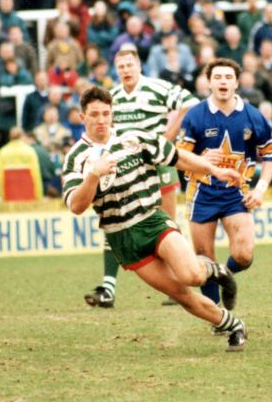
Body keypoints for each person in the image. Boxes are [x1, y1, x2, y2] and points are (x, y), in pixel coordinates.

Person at [63, 86, 247, 351]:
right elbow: (76, 206)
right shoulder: (75, 159)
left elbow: (176, 157)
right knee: (180, 295)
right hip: (122, 237)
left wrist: (213, 170)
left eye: (106, 113)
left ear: (112, 114)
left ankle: (214, 270)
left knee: (192, 276)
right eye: (94, 115)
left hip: (152, 220)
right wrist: (93, 175)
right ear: (83, 118)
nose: (101, 120)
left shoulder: (134, 137)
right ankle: (232, 325)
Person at [82, 44, 199, 308]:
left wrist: (168, 136)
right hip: (127, 167)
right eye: (121, 66)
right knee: (116, 219)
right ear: (116, 70)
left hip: (158, 163)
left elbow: (190, 103)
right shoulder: (112, 96)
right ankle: (108, 287)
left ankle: (177, 283)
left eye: (129, 65)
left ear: (139, 66)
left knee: (166, 224)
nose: (125, 70)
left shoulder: (156, 87)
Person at [178, 59, 272, 321]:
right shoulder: (196, 115)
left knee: (244, 255)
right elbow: (178, 157)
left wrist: (261, 189)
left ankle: (227, 276)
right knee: (203, 261)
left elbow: (271, 156)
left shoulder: (253, 116)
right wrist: (201, 160)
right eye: (218, 77)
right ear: (209, 82)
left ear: (237, 82)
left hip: (236, 193)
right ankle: (218, 317)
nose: (223, 82)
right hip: (202, 193)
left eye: (228, 77)